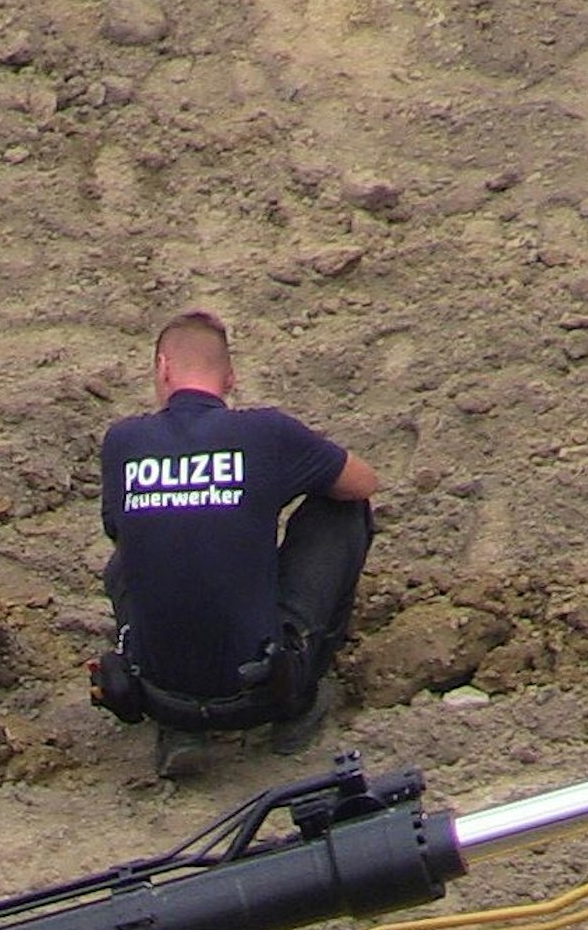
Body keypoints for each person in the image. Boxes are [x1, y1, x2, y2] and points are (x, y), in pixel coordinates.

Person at [95, 310, 378, 778]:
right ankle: (298, 699)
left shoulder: (123, 442)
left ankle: (182, 727)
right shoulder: (266, 432)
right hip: (260, 689)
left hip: (158, 696)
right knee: (344, 509)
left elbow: (121, 534)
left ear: (163, 369)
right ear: (230, 379)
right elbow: (364, 482)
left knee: (137, 554)